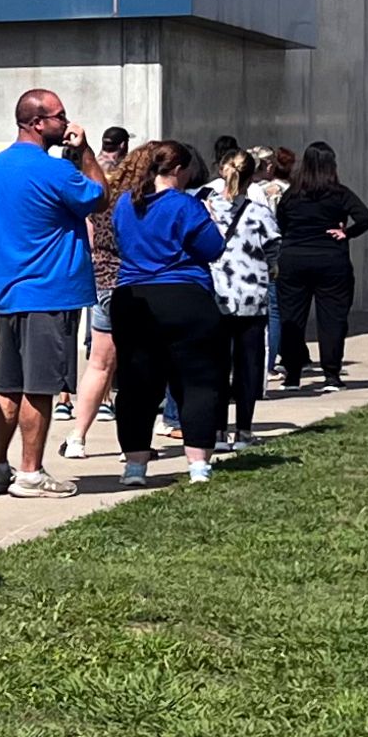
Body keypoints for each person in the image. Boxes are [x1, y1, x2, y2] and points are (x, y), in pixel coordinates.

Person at [0, 87, 106, 499]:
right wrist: (85, 153)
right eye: (59, 117)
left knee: (8, 384)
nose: (66, 124)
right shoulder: (54, 171)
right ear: (37, 123)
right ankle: (30, 473)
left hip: (8, 290)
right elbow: (98, 196)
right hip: (49, 291)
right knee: (40, 386)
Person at [109, 142, 231, 488]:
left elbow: (122, 245)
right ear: (178, 169)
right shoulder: (185, 205)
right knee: (197, 381)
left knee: (136, 385)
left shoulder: (125, 203)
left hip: (132, 297)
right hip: (184, 295)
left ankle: (134, 466)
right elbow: (213, 248)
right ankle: (198, 465)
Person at [274, 140, 368, 389]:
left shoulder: (291, 194)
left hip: (293, 259)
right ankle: (331, 374)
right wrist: (347, 233)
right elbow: (366, 218)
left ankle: (292, 374)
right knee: (332, 318)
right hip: (331, 259)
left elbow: (280, 223)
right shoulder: (339, 193)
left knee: (292, 318)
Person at [206, 146, 280, 449]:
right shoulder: (259, 212)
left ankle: (219, 431)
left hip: (215, 295)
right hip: (251, 296)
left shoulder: (205, 207)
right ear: (252, 177)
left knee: (218, 365)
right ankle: (245, 431)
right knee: (248, 365)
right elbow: (274, 247)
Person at [59, 135, 126, 462]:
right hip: (127, 283)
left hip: (98, 280)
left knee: (98, 363)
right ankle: (134, 446)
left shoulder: (89, 203)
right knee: (135, 364)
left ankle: (77, 437)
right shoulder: (125, 203)